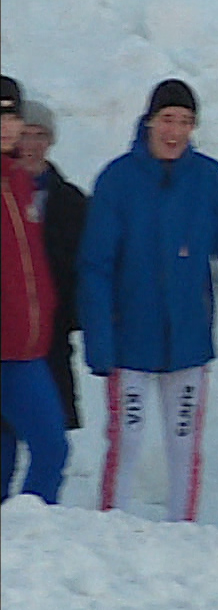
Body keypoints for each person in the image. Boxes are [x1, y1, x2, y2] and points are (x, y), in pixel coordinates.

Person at [79, 78, 218, 522]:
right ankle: (111, 532)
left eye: (185, 122)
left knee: (184, 443)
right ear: (149, 121)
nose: (175, 131)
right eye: (167, 120)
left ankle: (185, 533)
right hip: (130, 340)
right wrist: (100, 342)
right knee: (129, 440)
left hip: (189, 341)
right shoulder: (118, 179)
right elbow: (95, 266)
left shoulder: (211, 179)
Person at [2, 76, 69, 503]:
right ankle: (33, 537)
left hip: (28, 344)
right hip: (8, 350)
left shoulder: (20, 180)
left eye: (12, 115)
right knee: (51, 448)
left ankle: (17, 555)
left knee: (7, 454)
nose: (7, 125)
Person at [13, 100, 88, 432]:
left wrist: (71, 317)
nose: (31, 145)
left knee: (52, 441)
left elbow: (85, 268)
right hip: (8, 339)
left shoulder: (72, 201)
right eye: (25, 135)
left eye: (40, 135)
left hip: (53, 340)